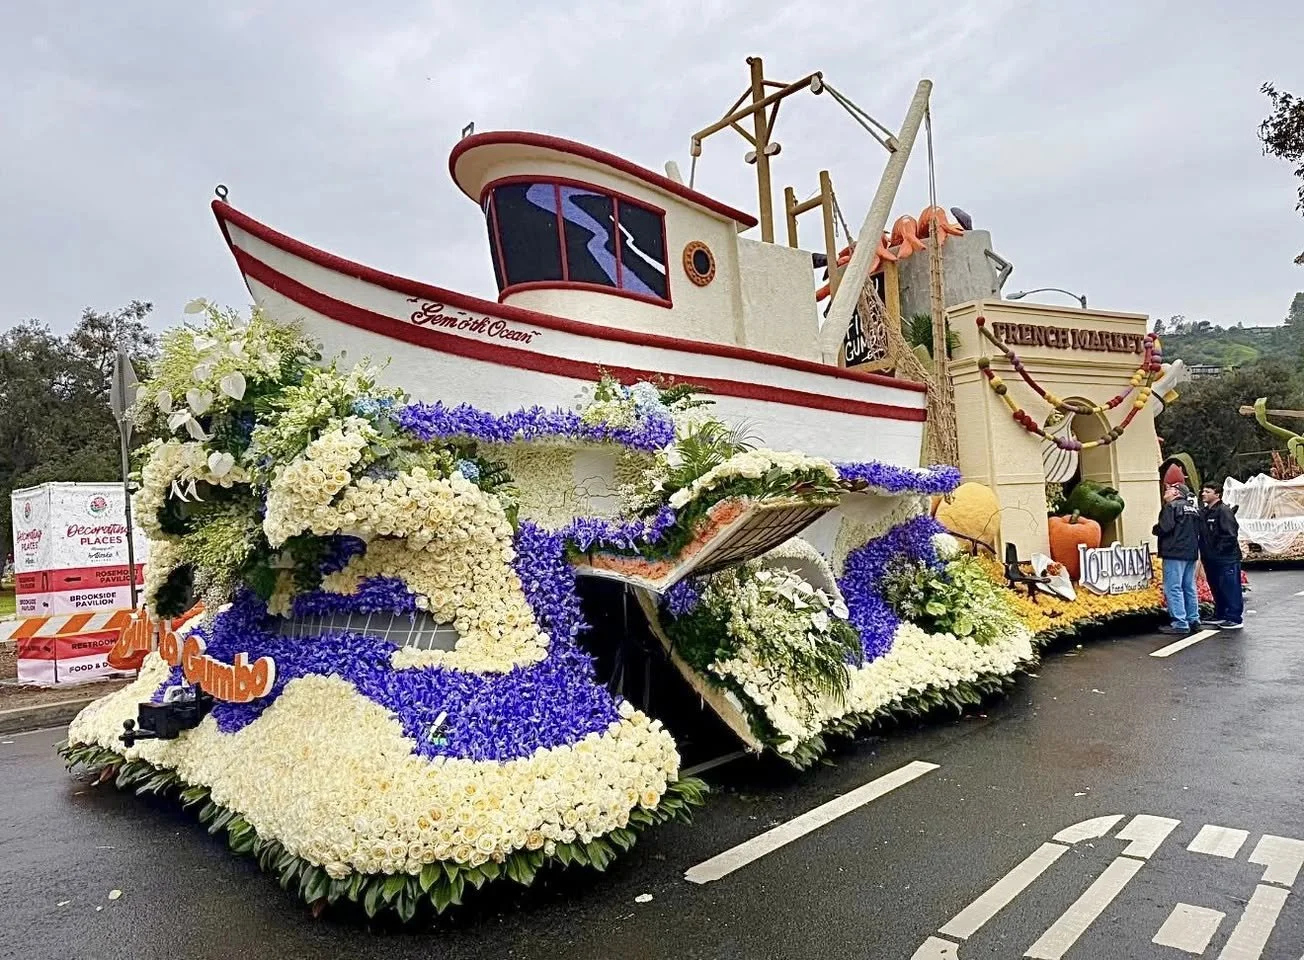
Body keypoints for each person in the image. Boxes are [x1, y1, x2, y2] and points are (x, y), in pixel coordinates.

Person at [1152, 483, 1202, 635]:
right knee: (1189, 586)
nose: (1165, 492)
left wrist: (1156, 529)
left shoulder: (1171, 507)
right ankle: (1193, 619)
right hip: (1190, 552)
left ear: (1176, 492)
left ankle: (1180, 622)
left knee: (1173, 587)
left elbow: (1165, 527)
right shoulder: (1192, 509)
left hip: (1174, 552)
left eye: (1168, 490)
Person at [1199, 483, 1244, 630]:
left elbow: (1230, 535)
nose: (1203, 494)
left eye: (1207, 491)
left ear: (1217, 494)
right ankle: (1220, 614)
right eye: (1203, 491)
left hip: (1226, 558)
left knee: (1230, 587)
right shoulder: (1205, 512)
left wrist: (1218, 550)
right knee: (1217, 587)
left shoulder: (1223, 511)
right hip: (1211, 559)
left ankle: (1234, 617)